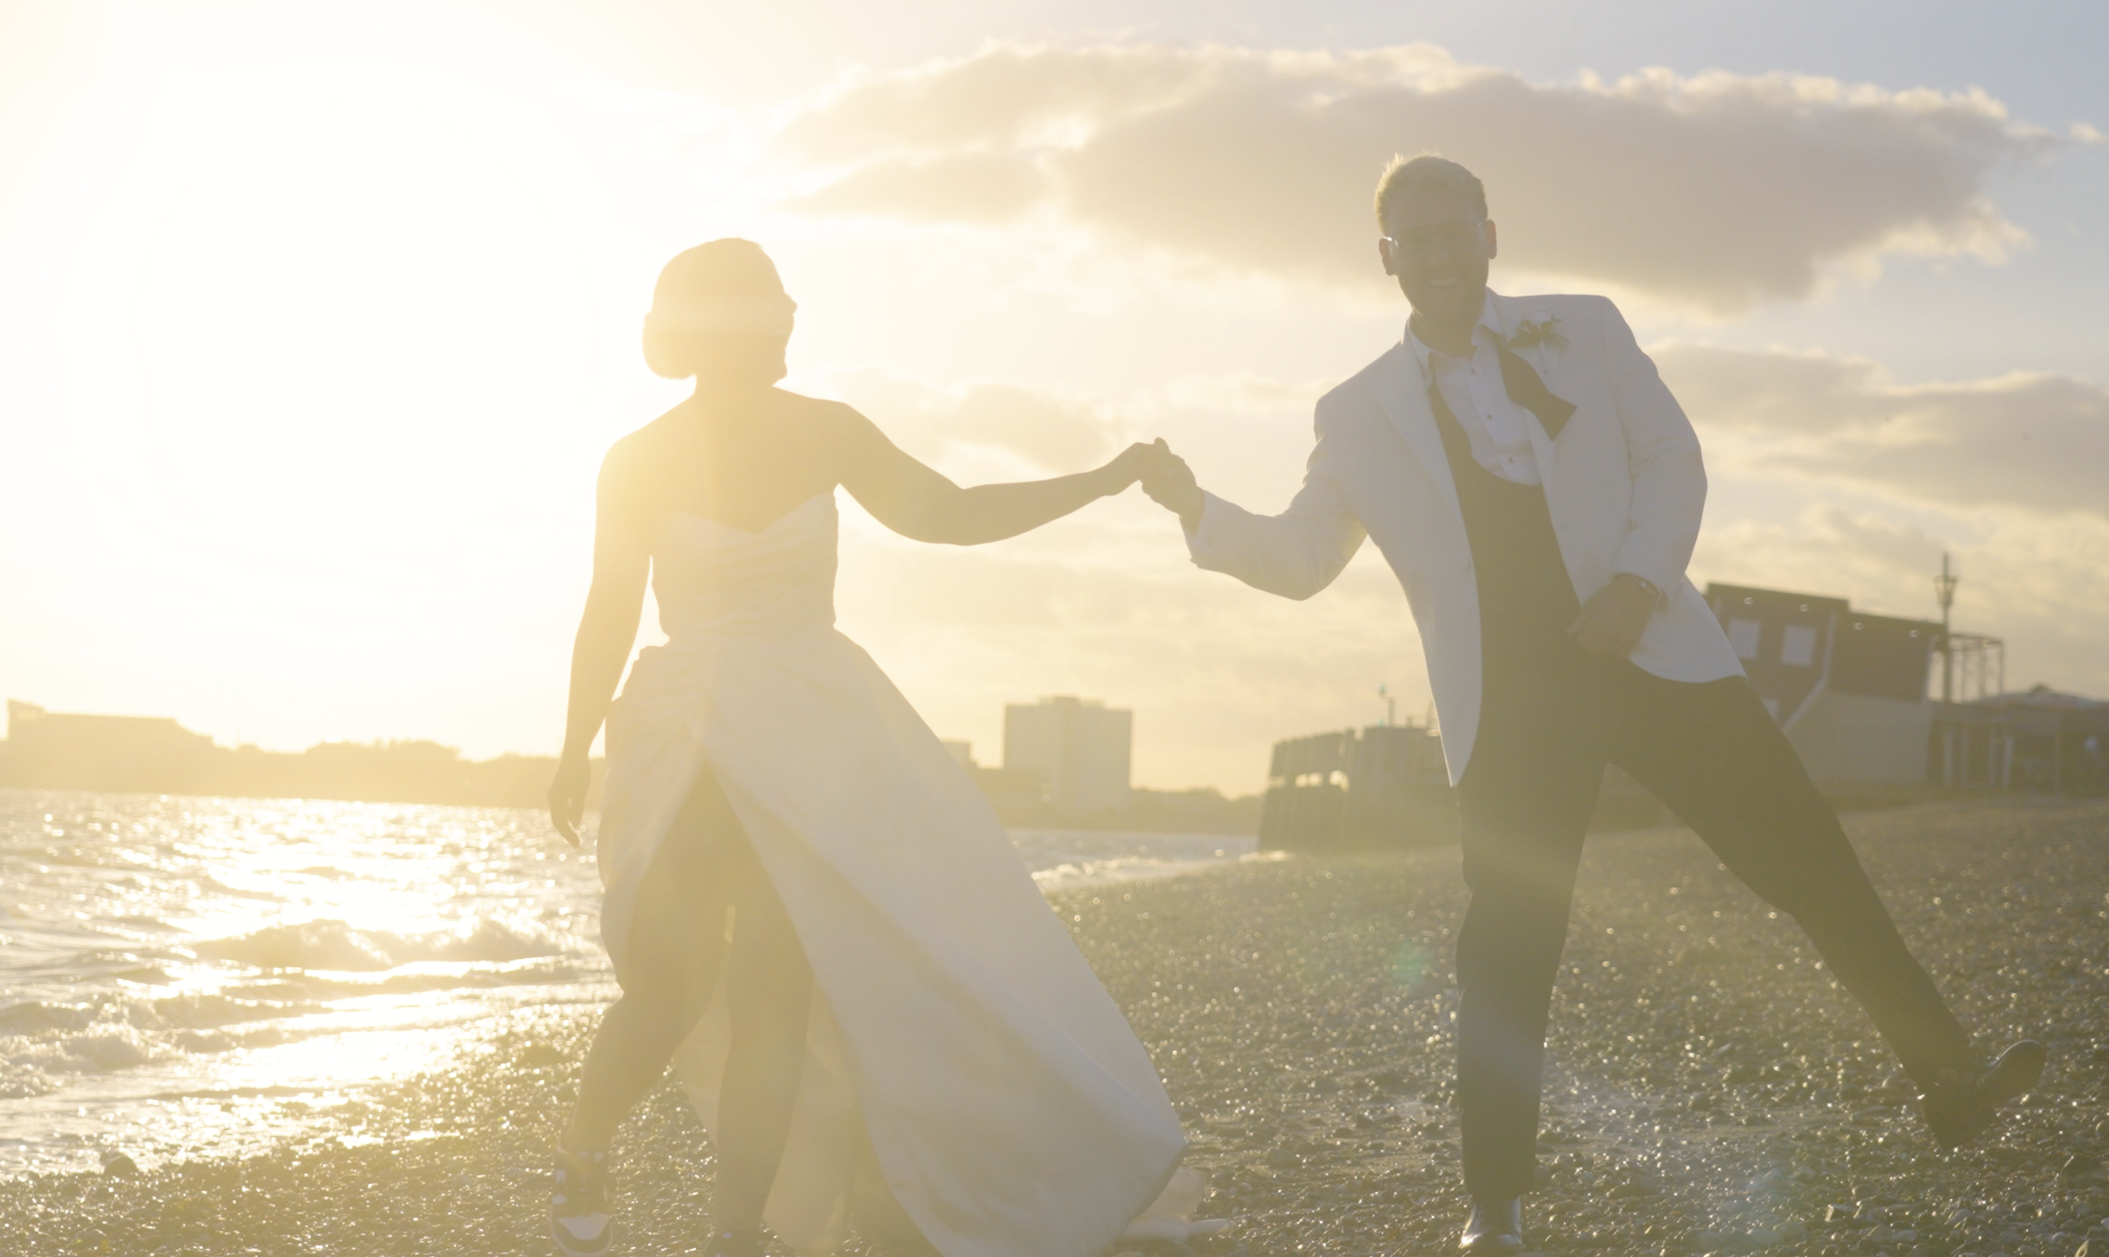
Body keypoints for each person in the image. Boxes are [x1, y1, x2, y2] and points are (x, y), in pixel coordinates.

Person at [1137, 155, 2043, 1255]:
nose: (1435, 254)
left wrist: (1635, 582)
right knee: (1510, 949)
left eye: (1451, 231)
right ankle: (1494, 1207)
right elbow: (1298, 557)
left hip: (1653, 649)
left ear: (1489, 235)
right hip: (1511, 700)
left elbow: (1671, 458)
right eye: (1411, 240)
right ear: (1386, 260)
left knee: (1810, 860)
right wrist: (1196, 508)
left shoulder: (1588, 327)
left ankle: (1949, 1077)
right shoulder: (1357, 412)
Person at [544, 238, 1185, 1257]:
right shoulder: (637, 457)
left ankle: (734, 1232)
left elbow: (952, 516)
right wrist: (573, 744)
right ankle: (583, 1150)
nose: (783, 325)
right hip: (687, 738)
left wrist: (1100, 481)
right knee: (663, 985)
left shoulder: (828, 432)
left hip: (811, 736)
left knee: (773, 993)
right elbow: (608, 607)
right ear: (715, 329)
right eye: (763, 312)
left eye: (781, 310)